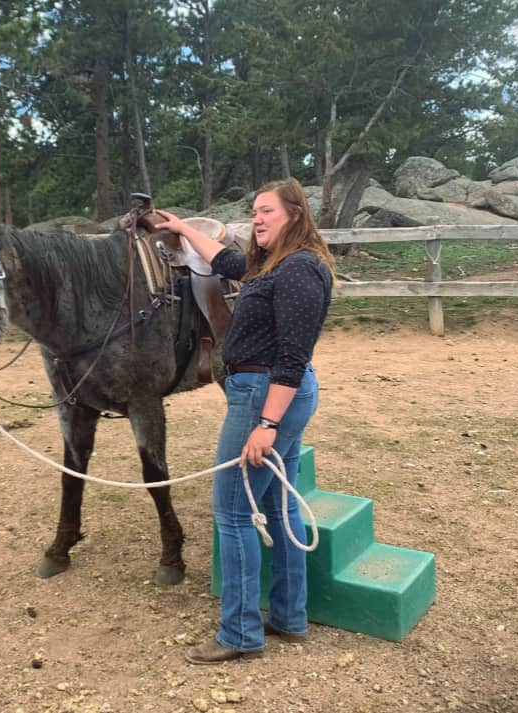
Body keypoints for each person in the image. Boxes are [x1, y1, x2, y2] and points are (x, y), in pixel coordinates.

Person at [154, 178, 335, 664]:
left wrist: (267, 424)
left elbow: (293, 357)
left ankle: (238, 634)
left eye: (267, 212)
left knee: (233, 513)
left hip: (265, 396)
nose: (256, 219)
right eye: (254, 211)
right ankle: (289, 616)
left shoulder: (300, 270)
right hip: (271, 394)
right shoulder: (270, 263)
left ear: (295, 215)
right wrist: (182, 228)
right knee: (278, 509)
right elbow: (226, 262)